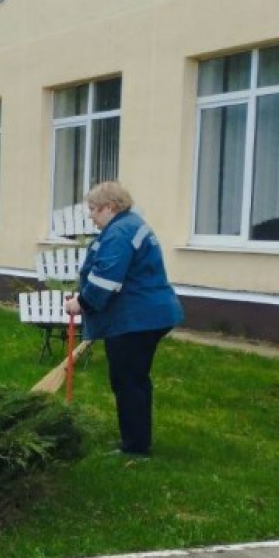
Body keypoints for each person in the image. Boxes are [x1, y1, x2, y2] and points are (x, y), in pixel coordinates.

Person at [64, 181, 184, 459]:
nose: (91, 215)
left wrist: (80, 303)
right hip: (150, 313)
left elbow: (107, 278)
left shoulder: (119, 232)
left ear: (110, 207)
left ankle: (135, 447)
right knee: (136, 379)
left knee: (127, 380)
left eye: (93, 209)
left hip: (136, 318)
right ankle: (138, 439)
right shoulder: (131, 225)